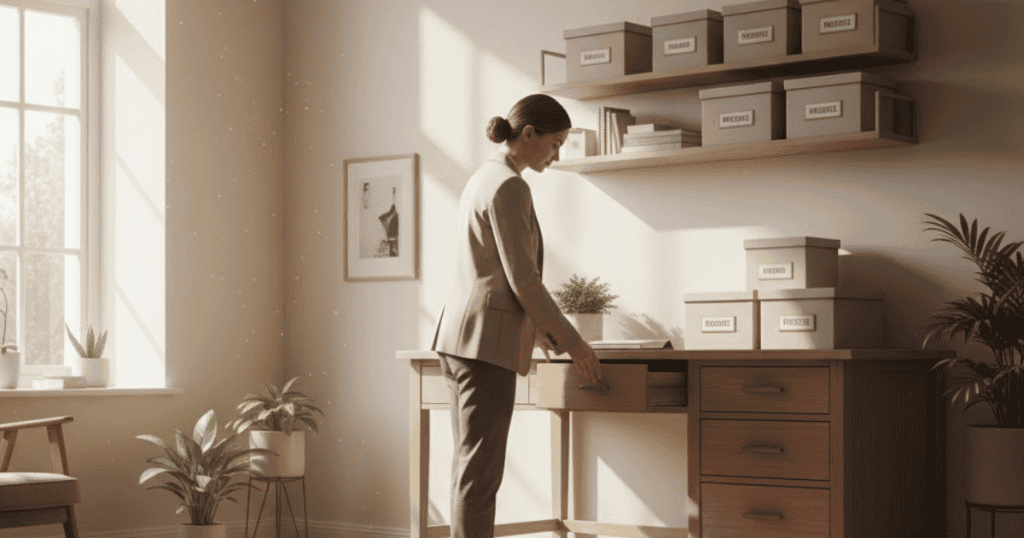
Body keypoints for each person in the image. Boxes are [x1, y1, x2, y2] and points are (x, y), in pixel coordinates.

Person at [430, 93, 603, 538]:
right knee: (480, 476)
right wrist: (573, 341)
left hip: (462, 339)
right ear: (529, 134)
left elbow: (492, 273)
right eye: (554, 143)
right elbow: (524, 279)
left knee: (470, 469)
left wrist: (540, 332)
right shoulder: (509, 185)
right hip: (485, 345)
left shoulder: (484, 177)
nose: (557, 154)